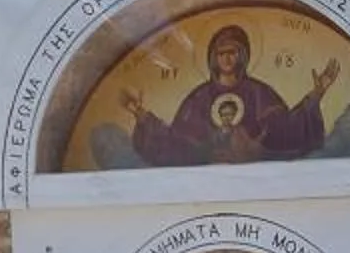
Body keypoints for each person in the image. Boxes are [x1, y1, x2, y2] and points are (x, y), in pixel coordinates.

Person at [121, 24, 337, 166]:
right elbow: (176, 143)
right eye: (221, 53)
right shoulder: (199, 99)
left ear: (242, 55)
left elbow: (287, 131)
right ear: (213, 58)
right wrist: (140, 114)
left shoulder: (259, 93)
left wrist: (317, 93)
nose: (226, 58)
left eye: (232, 52)